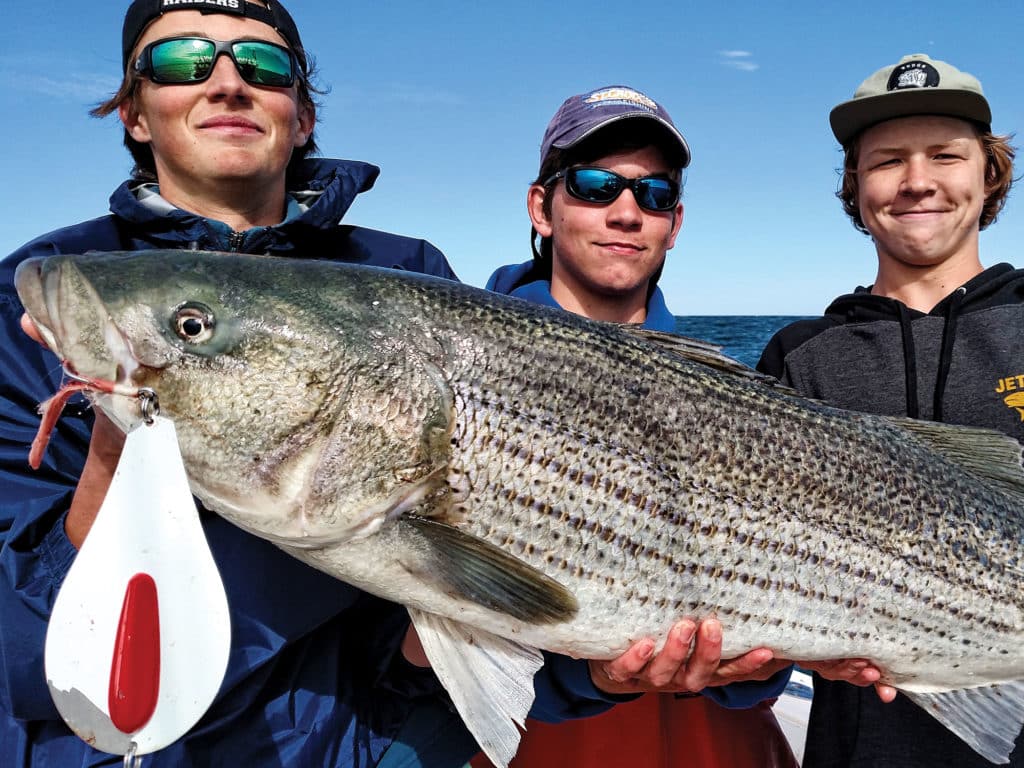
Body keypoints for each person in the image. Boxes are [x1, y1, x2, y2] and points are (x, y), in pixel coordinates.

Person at [0, 6, 724, 766]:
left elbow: (473, 593)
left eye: (264, 65)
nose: (226, 83)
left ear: (302, 114)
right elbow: (28, 646)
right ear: (132, 111)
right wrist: (122, 438)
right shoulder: (47, 298)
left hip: (376, 746)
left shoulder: (411, 275)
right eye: (181, 60)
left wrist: (601, 672)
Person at [477, 85, 887, 768]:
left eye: (654, 194)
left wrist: (755, 669)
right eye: (594, 185)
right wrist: (587, 679)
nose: (627, 212)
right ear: (540, 207)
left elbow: (771, 624)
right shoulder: (464, 374)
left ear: (676, 222)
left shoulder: (731, 396)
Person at [757, 53, 1020, 767]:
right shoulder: (800, 357)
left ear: (988, 174)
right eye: (887, 161)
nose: (917, 181)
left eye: (946, 155)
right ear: (855, 184)